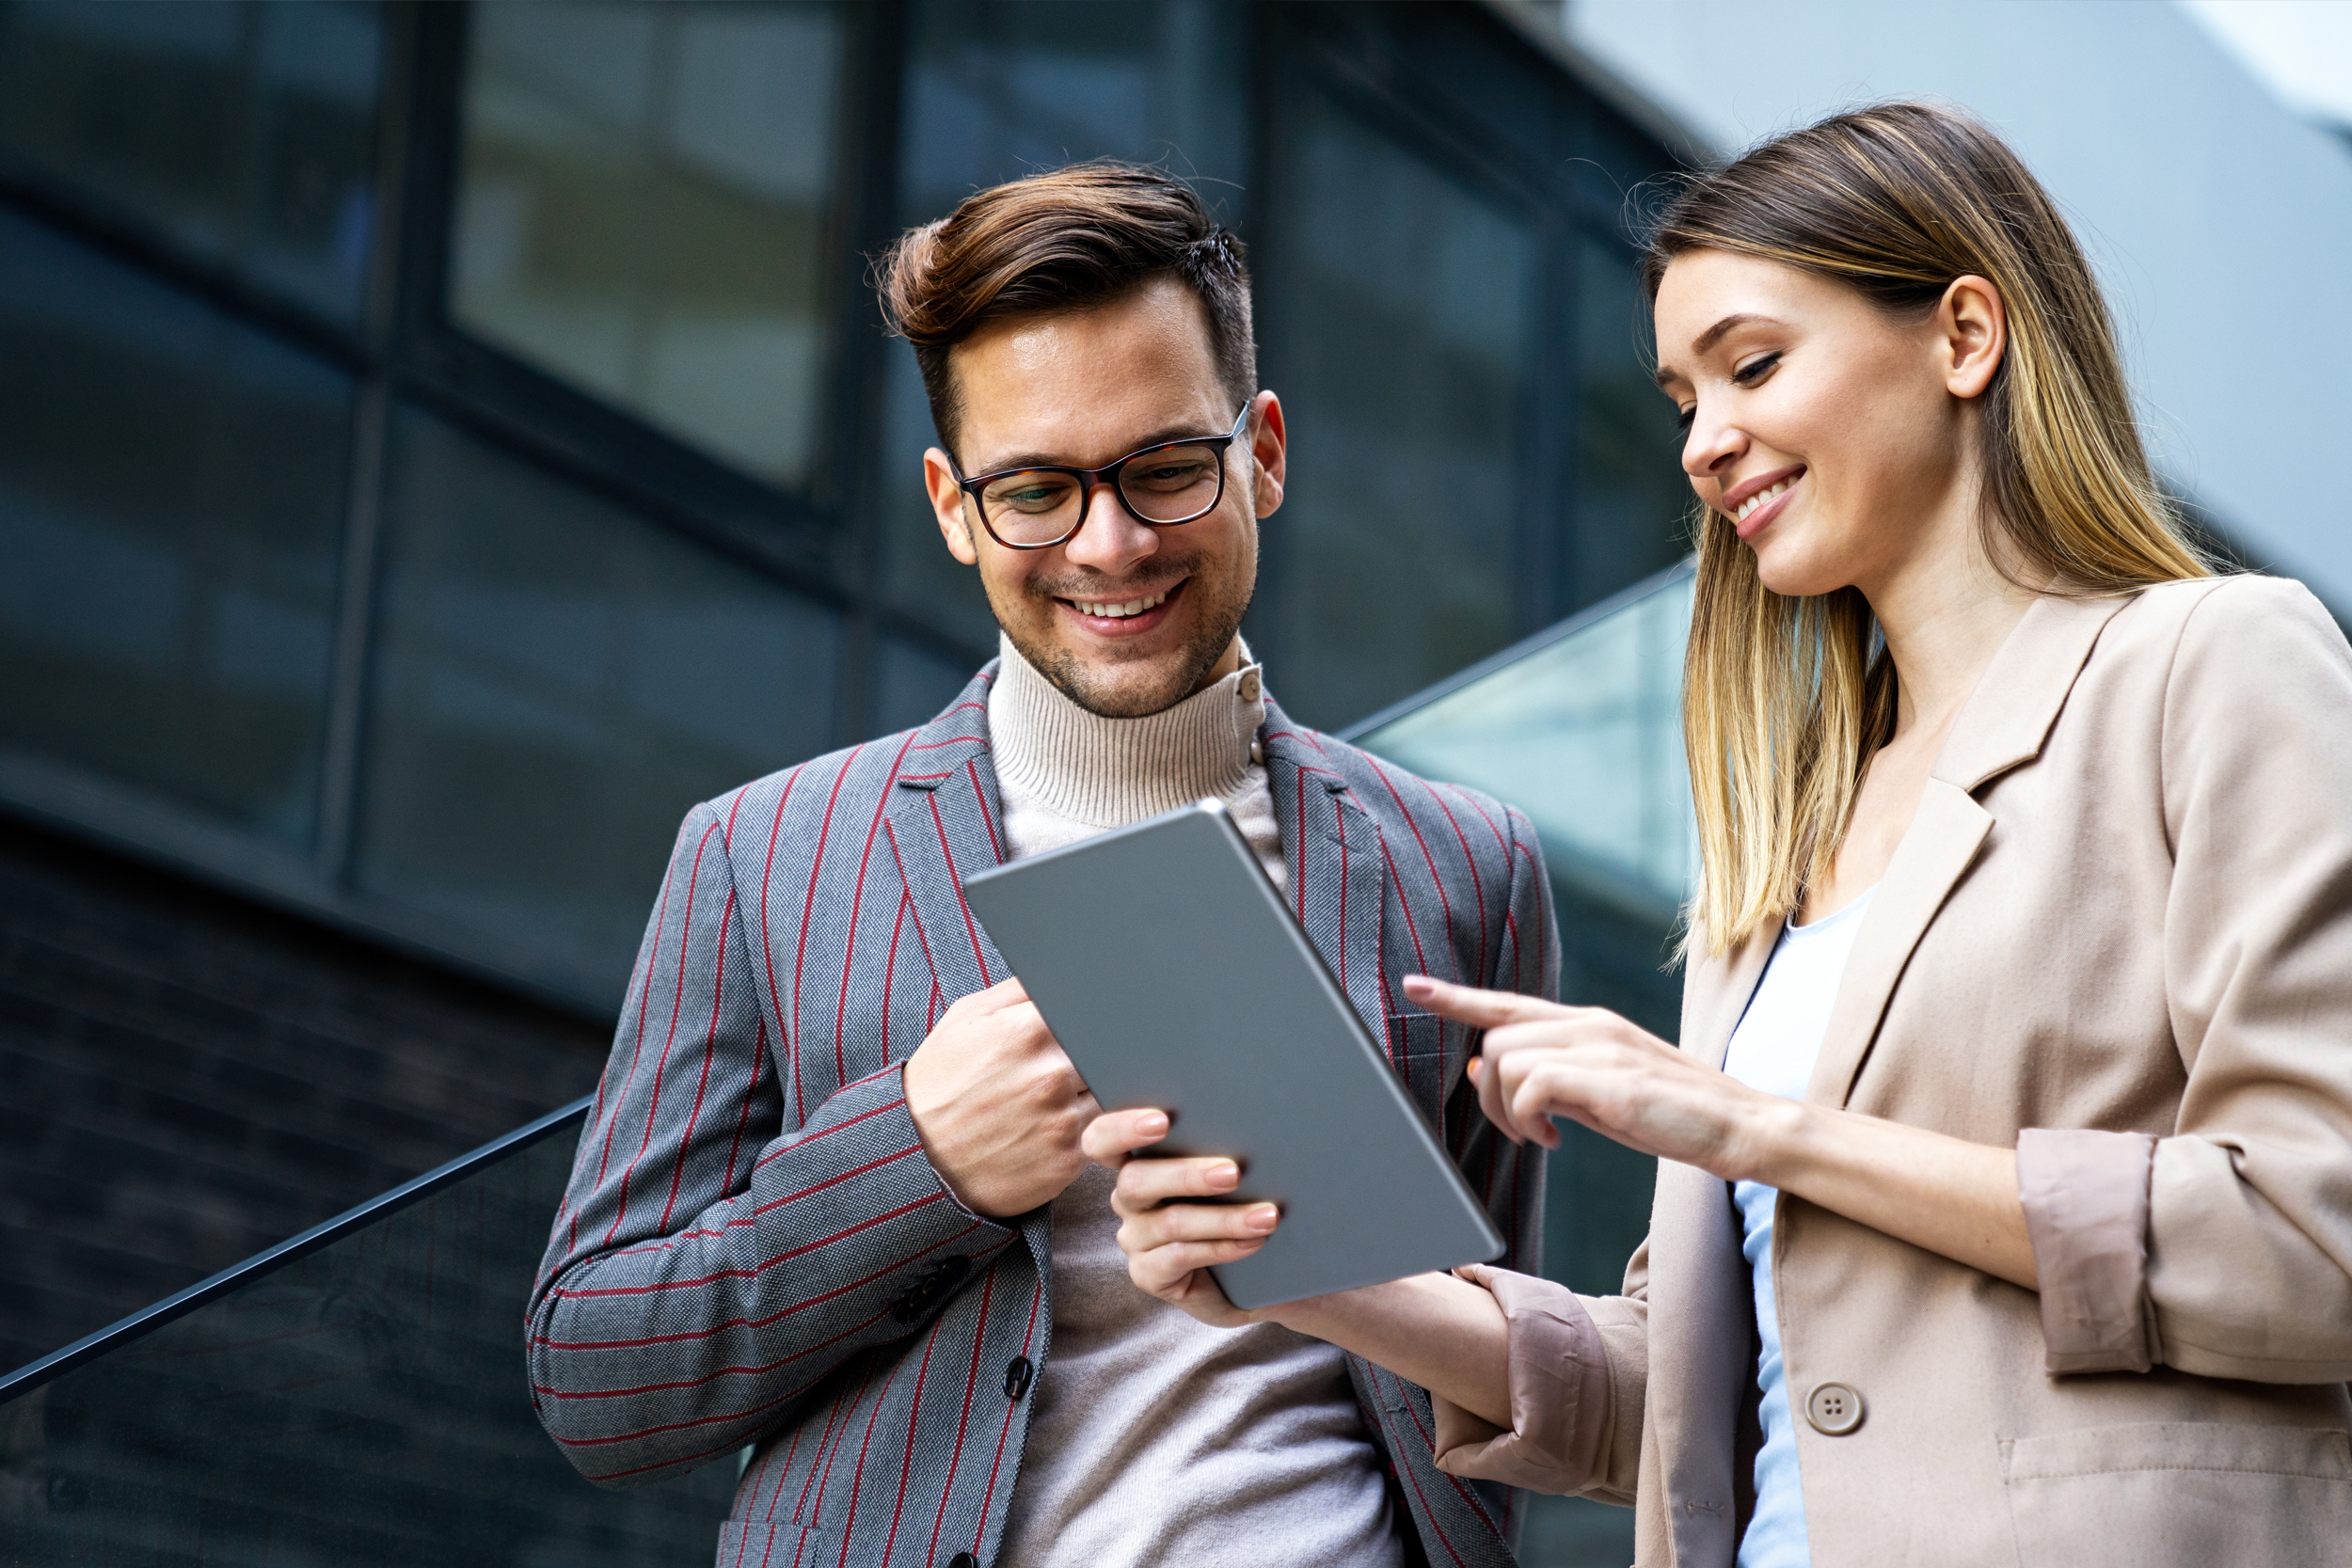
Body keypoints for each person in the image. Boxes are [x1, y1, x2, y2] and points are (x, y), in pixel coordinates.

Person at [1092, 101, 2352, 1565]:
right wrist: (1309, 1280)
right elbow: (1706, 1399)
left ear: (1963, 335)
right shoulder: (1787, 839)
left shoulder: (2211, 664)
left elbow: (2315, 1239)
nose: (1703, 441)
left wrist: (1754, 1129)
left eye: (1752, 365)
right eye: (1683, 398)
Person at [524, 162, 1557, 1568]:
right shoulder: (762, 859)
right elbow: (596, 1378)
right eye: (1037, 491)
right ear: (953, 507)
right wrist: (918, 1161)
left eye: (1164, 469)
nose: (1110, 542)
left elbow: (1503, 1372)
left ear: (1262, 450)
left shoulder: (1467, 867)